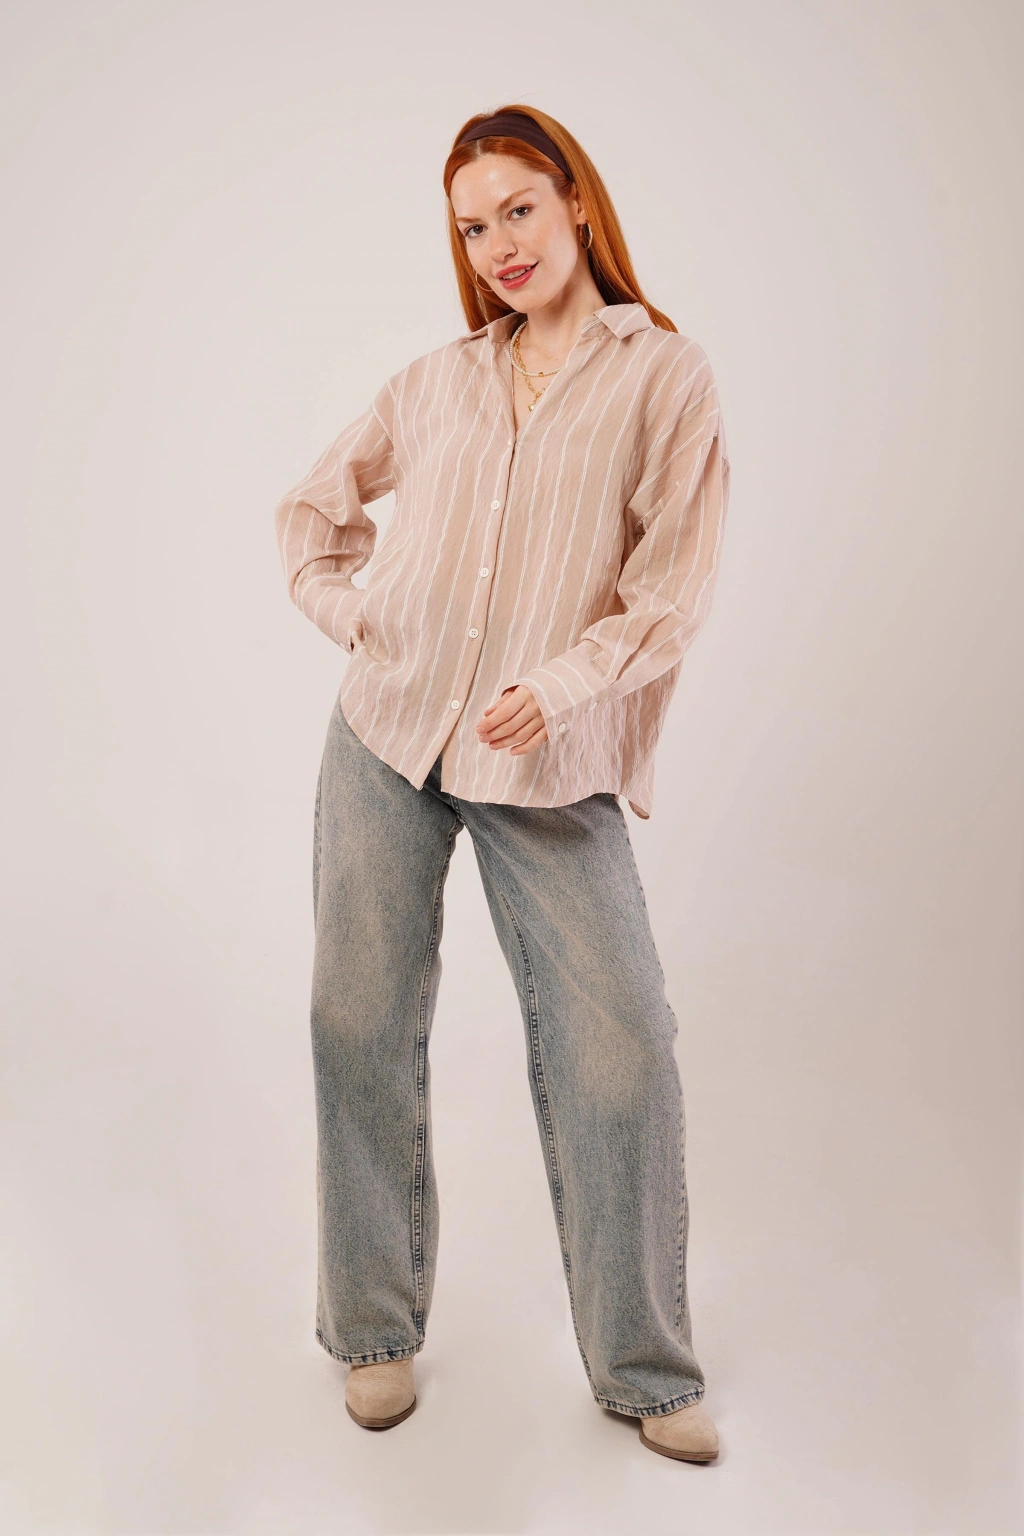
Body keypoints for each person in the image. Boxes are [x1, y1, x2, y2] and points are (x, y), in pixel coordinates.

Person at [273, 104, 731, 1463]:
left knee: (620, 1048)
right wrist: (356, 615)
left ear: (576, 199)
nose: (499, 246)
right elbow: (312, 514)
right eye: (474, 227)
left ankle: (646, 1367)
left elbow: (671, 588)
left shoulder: (666, 376)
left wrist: (568, 686)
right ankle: (373, 1331)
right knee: (357, 1019)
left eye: (519, 209)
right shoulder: (436, 381)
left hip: (545, 756)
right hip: (388, 733)